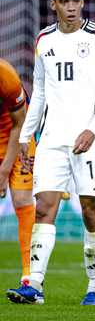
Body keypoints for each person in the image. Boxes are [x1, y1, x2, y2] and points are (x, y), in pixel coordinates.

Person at [6, 0, 95, 306]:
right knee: (43, 209)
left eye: (77, 0)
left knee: (90, 214)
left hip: (89, 140)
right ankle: (35, 286)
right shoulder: (43, 39)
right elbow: (39, 92)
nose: (72, 7)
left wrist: (92, 127)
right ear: (53, 5)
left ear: (82, 2)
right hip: (51, 139)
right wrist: (28, 137)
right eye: (65, 1)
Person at [0, 58, 36, 287]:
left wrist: (4, 170)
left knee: (22, 198)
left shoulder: (6, 75)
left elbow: (20, 123)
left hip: (17, 134)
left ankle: (29, 275)